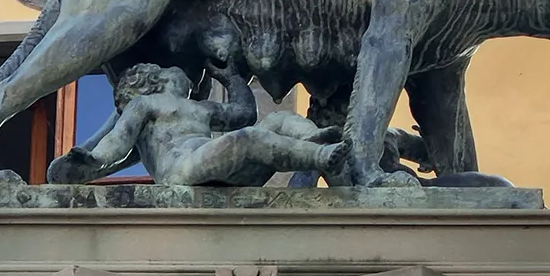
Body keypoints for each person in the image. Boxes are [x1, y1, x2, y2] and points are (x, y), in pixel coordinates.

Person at [47, 64, 348, 187]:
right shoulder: (147, 105)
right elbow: (119, 140)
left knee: (278, 120)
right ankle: (320, 158)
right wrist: (95, 159)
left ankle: (314, 139)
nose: (180, 72)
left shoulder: (200, 108)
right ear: (154, 81)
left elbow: (243, 114)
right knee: (247, 140)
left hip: (218, 169)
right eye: (167, 69)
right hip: (182, 170)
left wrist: (231, 77)